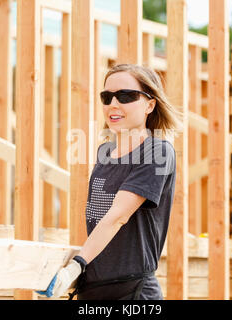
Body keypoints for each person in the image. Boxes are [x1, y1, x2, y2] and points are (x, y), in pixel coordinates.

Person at [42, 63, 183, 300]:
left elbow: (118, 216)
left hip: (131, 292)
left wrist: (76, 264)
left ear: (150, 104)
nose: (113, 105)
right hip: (93, 288)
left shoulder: (157, 151)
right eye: (107, 97)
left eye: (126, 96)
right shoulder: (104, 152)